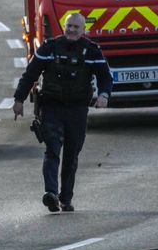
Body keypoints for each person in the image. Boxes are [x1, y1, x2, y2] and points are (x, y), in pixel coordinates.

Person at [11, 13, 113, 213]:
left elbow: (106, 77)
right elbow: (30, 74)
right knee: (52, 150)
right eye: (69, 26)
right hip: (52, 108)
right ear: (63, 27)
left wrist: (104, 95)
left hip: (77, 110)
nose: (72, 30)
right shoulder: (49, 48)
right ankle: (51, 193)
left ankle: (66, 198)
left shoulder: (91, 51)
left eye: (76, 27)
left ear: (83, 30)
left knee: (71, 154)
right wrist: (18, 99)